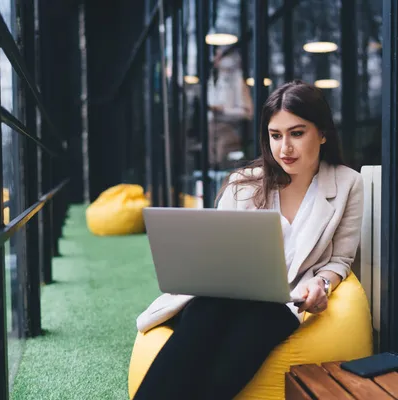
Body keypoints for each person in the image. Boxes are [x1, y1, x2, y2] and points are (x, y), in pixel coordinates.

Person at [133, 80, 364, 400]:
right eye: (275, 135)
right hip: (224, 297)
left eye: (297, 133)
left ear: (322, 133)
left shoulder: (348, 184)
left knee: (255, 326)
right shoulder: (243, 185)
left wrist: (321, 285)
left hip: (283, 303)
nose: (285, 148)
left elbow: (340, 259)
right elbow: (214, 256)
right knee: (206, 311)